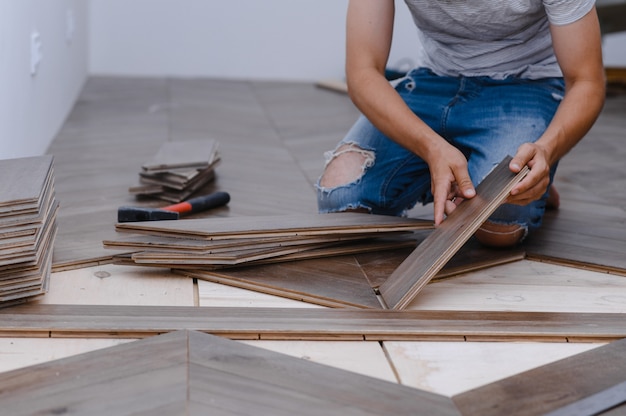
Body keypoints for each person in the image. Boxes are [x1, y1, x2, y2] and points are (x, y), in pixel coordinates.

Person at [316, 0, 606, 247]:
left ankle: (520, 171)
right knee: (341, 201)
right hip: (435, 80)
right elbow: (362, 72)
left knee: (495, 226)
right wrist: (431, 148)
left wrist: (546, 149)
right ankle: (469, 164)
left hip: (526, 85)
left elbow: (587, 82)